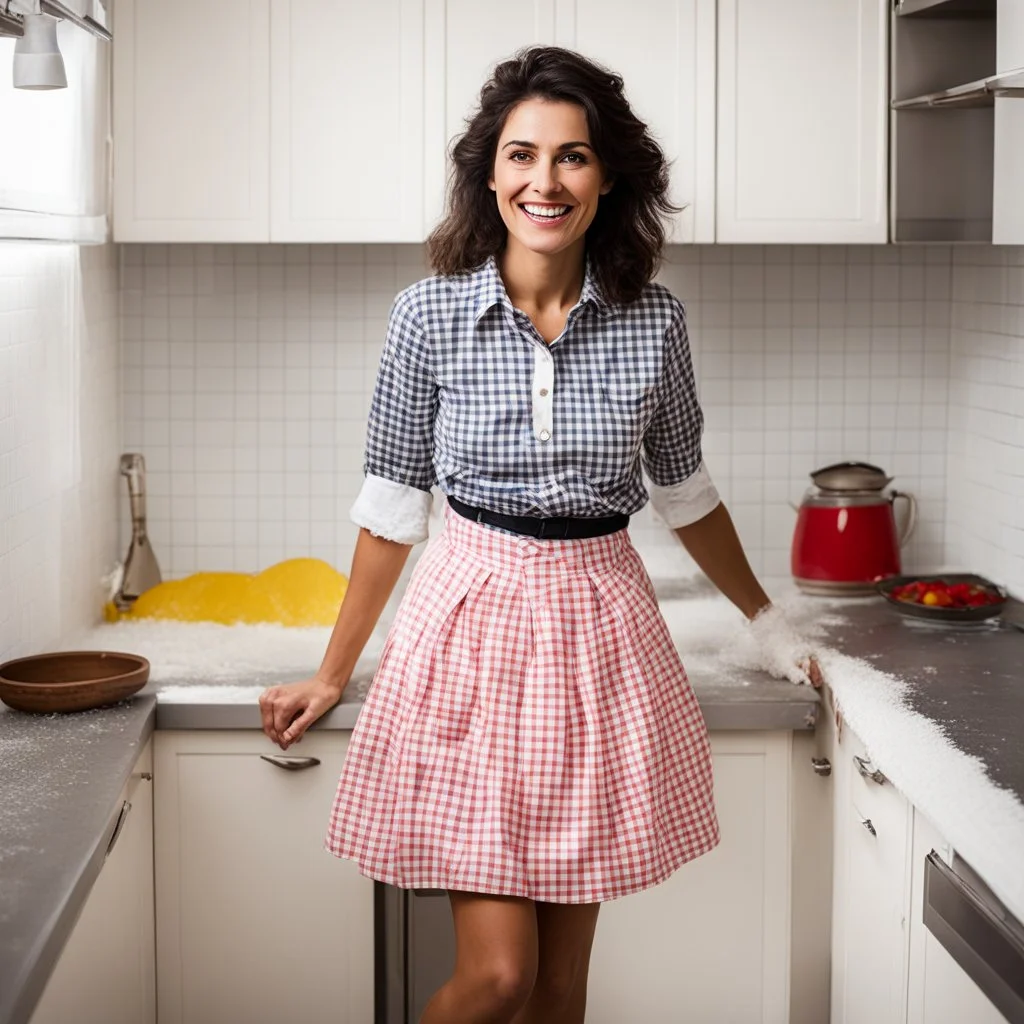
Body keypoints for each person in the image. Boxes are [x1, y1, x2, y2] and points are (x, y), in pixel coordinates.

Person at [258, 45, 822, 1024]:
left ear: (607, 178)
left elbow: (685, 493)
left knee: (560, 993)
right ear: (490, 174)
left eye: (571, 157)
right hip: (467, 633)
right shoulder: (427, 317)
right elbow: (392, 509)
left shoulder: (654, 322)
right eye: (521, 155)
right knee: (498, 978)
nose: (544, 180)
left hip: (602, 637)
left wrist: (772, 625)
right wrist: (332, 670)